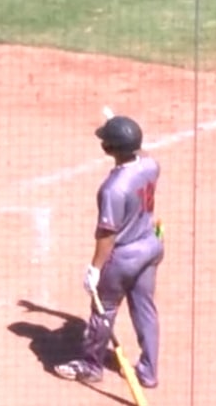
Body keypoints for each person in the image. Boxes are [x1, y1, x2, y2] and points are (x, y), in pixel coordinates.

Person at [53, 114, 165, 389]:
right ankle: (149, 372)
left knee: (104, 310)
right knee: (145, 309)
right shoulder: (151, 165)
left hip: (123, 257)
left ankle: (91, 366)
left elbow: (107, 233)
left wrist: (95, 268)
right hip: (150, 247)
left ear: (109, 148)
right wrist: (126, 134)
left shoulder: (113, 189)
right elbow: (141, 151)